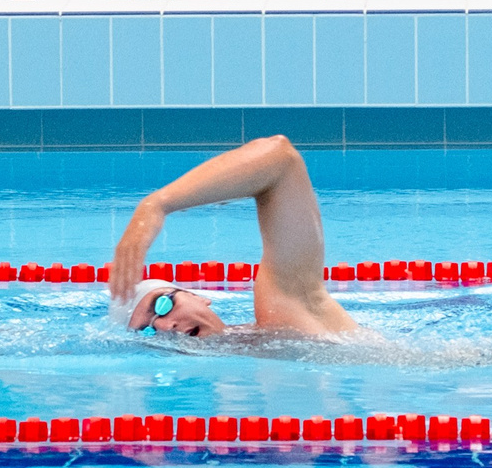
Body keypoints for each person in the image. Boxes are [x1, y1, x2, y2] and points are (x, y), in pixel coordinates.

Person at [107, 136, 356, 339]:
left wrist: (155, 205)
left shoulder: (287, 319)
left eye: (163, 305)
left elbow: (281, 160)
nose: (165, 326)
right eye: (147, 331)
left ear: (198, 296)